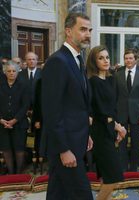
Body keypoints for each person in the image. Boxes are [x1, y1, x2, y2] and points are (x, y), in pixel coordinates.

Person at [41, 12, 93, 200]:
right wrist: (63, 149)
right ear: (68, 31)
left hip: (76, 140)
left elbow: (76, 105)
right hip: (65, 146)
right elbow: (51, 111)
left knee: (58, 193)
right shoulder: (58, 61)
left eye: (89, 30)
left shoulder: (77, 60)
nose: (88, 34)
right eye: (83, 29)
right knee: (83, 195)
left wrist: (85, 133)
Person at [87, 45, 126, 200]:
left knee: (106, 176)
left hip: (109, 130)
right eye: (101, 58)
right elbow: (100, 113)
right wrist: (118, 127)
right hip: (100, 132)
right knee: (114, 176)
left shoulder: (110, 79)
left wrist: (117, 128)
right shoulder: (93, 81)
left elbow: (113, 109)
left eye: (107, 57)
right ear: (94, 61)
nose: (105, 61)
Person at [115, 49, 139, 171]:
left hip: (137, 114)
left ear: (135, 60)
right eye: (126, 58)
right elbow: (115, 96)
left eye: (130, 58)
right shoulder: (117, 74)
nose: (128, 60)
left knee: (135, 143)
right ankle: (123, 166)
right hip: (121, 113)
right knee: (121, 142)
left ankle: (134, 167)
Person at [0, 61, 30, 174]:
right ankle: (11, 173)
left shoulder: (24, 85)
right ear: (5, 72)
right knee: (6, 149)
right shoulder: (1, 84)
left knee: (19, 149)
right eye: (9, 71)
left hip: (19, 123)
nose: (11, 73)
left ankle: (18, 173)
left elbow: (25, 105)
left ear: (17, 72)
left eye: (14, 71)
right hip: (2, 124)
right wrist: (1, 120)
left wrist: (14, 121)